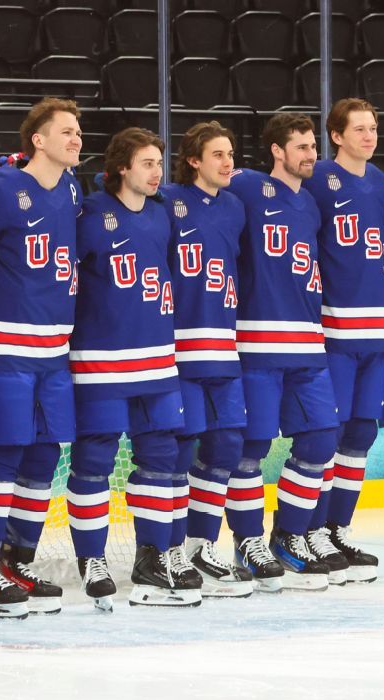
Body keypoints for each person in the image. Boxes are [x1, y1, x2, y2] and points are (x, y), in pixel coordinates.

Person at [0, 98, 84, 616]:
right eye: (66, 131)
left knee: (44, 456)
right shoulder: (0, 189)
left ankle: (18, 558)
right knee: (1, 454)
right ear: (38, 139)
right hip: (1, 347)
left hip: (54, 350)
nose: (77, 139)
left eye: (78, 131)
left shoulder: (73, 189)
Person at [66, 127, 195, 609]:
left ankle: (152, 557)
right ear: (122, 167)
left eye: (159, 163)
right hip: (100, 360)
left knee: (162, 457)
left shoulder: (162, 215)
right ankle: (92, 560)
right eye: (146, 163)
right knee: (94, 460)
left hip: (157, 359)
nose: (157, 172)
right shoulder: (89, 214)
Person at [227, 113, 338, 591]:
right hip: (256, 339)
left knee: (321, 439)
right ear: (277, 150)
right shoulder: (247, 185)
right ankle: (248, 542)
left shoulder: (310, 203)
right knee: (251, 448)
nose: (311, 154)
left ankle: (289, 536)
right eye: (301, 146)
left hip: (308, 340)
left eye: (313, 146)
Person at [159, 121, 254, 598]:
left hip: (223, 345)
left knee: (227, 445)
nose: (227, 162)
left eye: (231, 153)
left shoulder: (235, 206)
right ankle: (170, 549)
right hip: (178, 346)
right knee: (178, 452)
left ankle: (200, 543)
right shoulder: (167, 199)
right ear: (193, 160)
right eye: (217, 154)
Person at [299, 98, 384, 585]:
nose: (369, 136)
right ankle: (309, 530)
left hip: (378, 328)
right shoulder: (318, 178)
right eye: (359, 129)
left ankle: (336, 529)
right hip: (335, 327)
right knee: (327, 435)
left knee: (360, 435)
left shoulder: (380, 181)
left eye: (373, 128)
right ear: (336, 135)